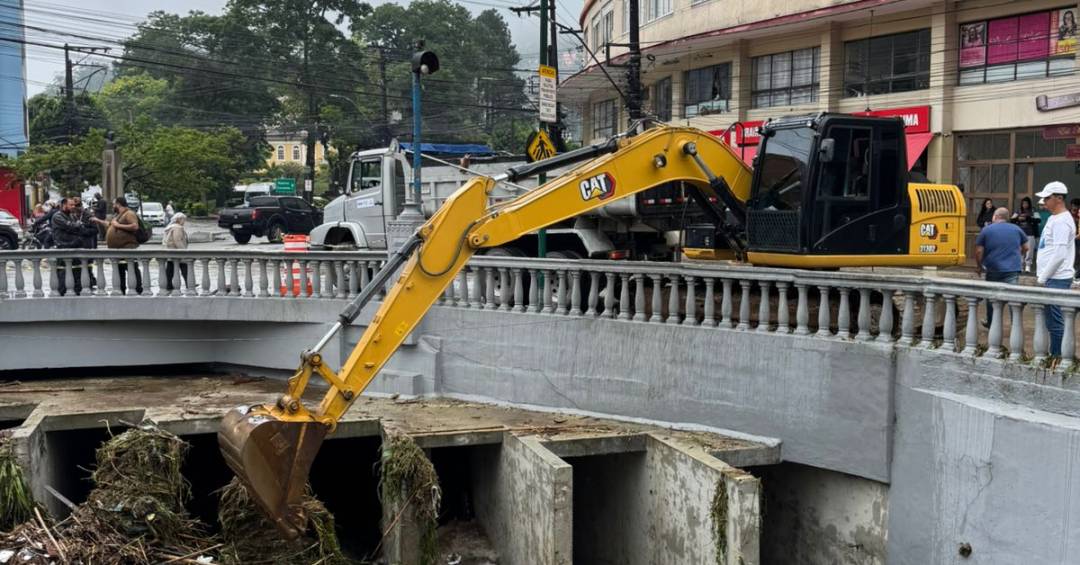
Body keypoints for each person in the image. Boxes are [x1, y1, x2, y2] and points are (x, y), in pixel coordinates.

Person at [1035, 181, 1076, 358]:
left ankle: (1058, 357)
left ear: (1059, 199)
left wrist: (1043, 278)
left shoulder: (1062, 222)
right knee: (1051, 321)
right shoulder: (1054, 218)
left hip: (1056, 278)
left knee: (1056, 321)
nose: (1044, 201)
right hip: (1052, 277)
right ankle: (1055, 354)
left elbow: (1059, 254)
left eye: (1047, 198)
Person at [975, 207, 1028, 327]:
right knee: (1013, 299)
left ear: (995, 216)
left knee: (991, 298)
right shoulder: (1016, 229)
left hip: (993, 269)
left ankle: (991, 322)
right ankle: (1016, 325)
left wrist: (979, 266)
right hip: (1012, 270)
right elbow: (1026, 247)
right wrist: (1017, 255)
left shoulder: (986, 230)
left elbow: (978, 251)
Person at [94, 196, 143, 295]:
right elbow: (110, 225)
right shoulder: (118, 215)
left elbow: (135, 226)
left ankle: (138, 289)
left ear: (118, 204)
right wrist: (98, 220)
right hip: (118, 250)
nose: (113, 206)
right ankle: (121, 290)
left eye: (113, 204)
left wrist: (117, 225)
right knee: (120, 270)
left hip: (127, 248)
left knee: (131, 268)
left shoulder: (129, 213)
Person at [50, 197, 95, 296]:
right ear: (64, 205)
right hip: (63, 247)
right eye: (71, 205)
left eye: (74, 205)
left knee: (76, 271)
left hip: (74, 246)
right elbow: (71, 226)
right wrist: (77, 226)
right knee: (63, 273)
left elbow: (80, 228)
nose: (73, 207)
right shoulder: (57, 216)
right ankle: (62, 292)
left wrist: (77, 226)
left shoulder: (72, 216)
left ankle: (77, 291)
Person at [1011, 197, 1040, 272]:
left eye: (1026, 203)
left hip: (1030, 233)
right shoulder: (1018, 211)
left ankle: (1028, 265)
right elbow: (1011, 220)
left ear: (1029, 204)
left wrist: (1028, 218)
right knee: (1020, 250)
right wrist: (1018, 219)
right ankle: (1020, 265)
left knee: (1029, 250)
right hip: (1020, 233)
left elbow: (1038, 220)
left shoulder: (1033, 210)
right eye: (1023, 203)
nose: (1025, 205)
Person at [162, 212, 189, 291]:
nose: (184, 222)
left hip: (170, 251)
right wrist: (183, 251)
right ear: (179, 219)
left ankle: (168, 284)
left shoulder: (170, 227)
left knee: (170, 268)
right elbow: (177, 240)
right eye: (184, 220)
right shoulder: (178, 228)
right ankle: (189, 283)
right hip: (177, 252)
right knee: (184, 267)